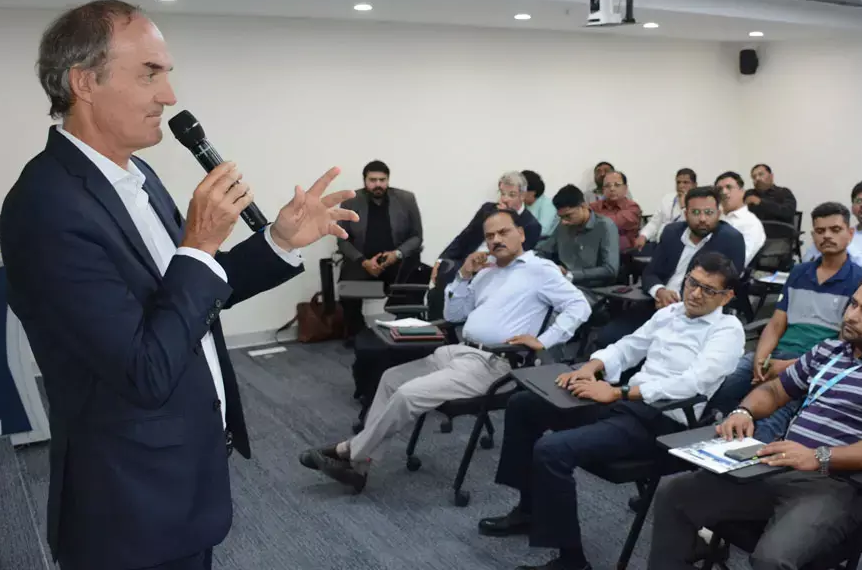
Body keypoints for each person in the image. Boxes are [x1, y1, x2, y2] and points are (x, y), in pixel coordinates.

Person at [1, 0, 357, 570]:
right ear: (83, 82)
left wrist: (279, 242)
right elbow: (144, 368)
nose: (169, 95)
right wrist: (198, 243)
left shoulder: (135, 175)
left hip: (183, 473)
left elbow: (185, 303)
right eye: (150, 73)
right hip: (129, 502)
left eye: (167, 74)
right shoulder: (47, 207)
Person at [648, 271, 862, 570]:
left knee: (771, 561)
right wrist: (743, 412)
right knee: (675, 494)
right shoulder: (828, 351)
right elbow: (775, 390)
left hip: (837, 484)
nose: (851, 316)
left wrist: (819, 457)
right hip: (778, 465)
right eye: (853, 304)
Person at [479, 253, 745, 570]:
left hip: (664, 422)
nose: (696, 294)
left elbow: (692, 384)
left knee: (552, 450)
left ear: (727, 296)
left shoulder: (727, 331)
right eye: (692, 283)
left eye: (708, 290)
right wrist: (592, 368)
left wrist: (617, 390)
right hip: (627, 404)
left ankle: (572, 561)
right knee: (523, 405)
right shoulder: (672, 312)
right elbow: (628, 346)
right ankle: (529, 509)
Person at [300, 208, 591, 493]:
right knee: (391, 378)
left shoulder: (540, 270)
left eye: (504, 232)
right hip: (457, 351)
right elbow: (454, 315)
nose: (496, 240)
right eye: (490, 235)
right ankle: (358, 467)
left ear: (521, 234)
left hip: (494, 363)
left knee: (407, 395)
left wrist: (546, 340)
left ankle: (349, 452)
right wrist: (463, 277)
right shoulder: (486, 272)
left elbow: (579, 306)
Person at [709, 202, 862, 430]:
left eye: (835, 230)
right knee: (722, 387)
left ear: (850, 234)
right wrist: (760, 360)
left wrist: (790, 366)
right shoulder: (799, 272)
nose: (827, 236)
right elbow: (775, 324)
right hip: (775, 354)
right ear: (813, 235)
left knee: (771, 420)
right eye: (820, 231)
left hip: (812, 363)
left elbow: (844, 347)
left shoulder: (859, 281)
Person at [593, 187, 744, 348]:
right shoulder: (672, 232)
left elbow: (727, 288)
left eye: (708, 212)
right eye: (696, 213)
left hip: (696, 313)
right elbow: (651, 273)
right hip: (655, 304)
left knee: (658, 351)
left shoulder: (730, 240)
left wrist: (680, 306)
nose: (702, 219)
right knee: (608, 338)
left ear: (718, 213)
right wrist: (659, 292)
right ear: (686, 214)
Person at [336, 160, 423, 334]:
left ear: (388, 180)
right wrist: (364, 262)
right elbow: (342, 239)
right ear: (365, 181)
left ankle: (406, 330)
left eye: (382, 180)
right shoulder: (351, 202)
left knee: (414, 281)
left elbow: (416, 236)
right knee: (347, 290)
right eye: (373, 180)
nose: (378, 184)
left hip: (396, 262)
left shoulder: (406, 199)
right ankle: (358, 334)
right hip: (364, 263)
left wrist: (397, 254)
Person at [431, 171, 543, 287]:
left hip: (497, 274)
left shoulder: (531, 224)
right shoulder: (488, 209)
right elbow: (464, 237)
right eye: (502, 193)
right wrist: (441, 260)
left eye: (511, 195)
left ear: (522, 196)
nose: (504, 199)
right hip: (468, 263)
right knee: (444, 274)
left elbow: (516, 262)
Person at [536, 184, 620, 288]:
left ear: (584, 206)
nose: (564, 222)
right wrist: (549, 267)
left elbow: (610, 269)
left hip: (593, 289)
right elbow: (543, 251)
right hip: (562, 284)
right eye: (561, 217)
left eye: (568, 215)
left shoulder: (605, 226)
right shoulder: (563, 225)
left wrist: (572, 275)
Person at [715, 171, 767, 268]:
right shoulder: (714, 217)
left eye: (729, 187)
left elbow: (738, 262)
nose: (723, 192)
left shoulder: (751, 223)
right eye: (719, 189)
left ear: (742, 192)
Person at [636, 168, 697, 250]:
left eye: (685, 182)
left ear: (695, 185)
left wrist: (683, 207)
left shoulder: (699, 202)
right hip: (661, 243)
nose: (681, 186)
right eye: (678, 182)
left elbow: (690, 227)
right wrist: (643, 236)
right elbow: (654, 223)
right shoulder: (667, 198)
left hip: (683, 246)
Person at [590, 170, 642, 253]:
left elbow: (612, 224)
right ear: (603, 190)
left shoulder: (632, 208)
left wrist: (593, 221)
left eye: (617, 185)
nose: (612, 189)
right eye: (607, 186)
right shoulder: (593, 207)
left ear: (625, 188)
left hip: (624, 255)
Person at [523, 169, 559, 239]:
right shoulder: (524, 204)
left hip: (544, 241)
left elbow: (543, 231)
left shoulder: (547, 204)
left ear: (533, 192)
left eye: (522, 191)